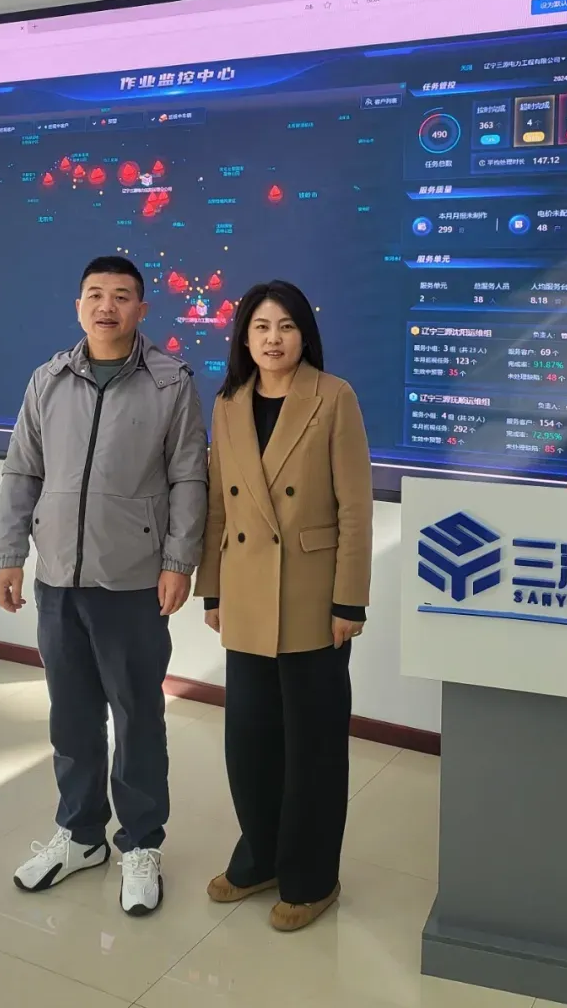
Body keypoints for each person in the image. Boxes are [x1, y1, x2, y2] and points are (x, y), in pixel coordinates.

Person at [0, 255, 207, 916]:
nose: (106, 305)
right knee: (72, 714)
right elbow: (22, 470)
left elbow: (188, 476)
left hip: (133, 580)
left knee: (137, 715)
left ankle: (140, 843)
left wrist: (179, 561)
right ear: (78, 305)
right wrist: (9, 554)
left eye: (120, 295)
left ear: (142, 308)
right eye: (94, 294)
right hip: (58, 577)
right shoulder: (48, 379)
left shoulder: (169, 381)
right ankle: (81, 834)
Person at [196, 280, 373, 931]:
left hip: (313, 596)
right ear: (244, 338)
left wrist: (349, 598)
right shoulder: (228, 402)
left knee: (313, 749)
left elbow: (355, 506)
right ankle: (261, 857)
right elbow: (218, 504)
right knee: (249, 743)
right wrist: (213, 588)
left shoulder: (334, 396)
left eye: (287, 326)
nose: (274, 338)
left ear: (305, 335)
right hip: (244, 592)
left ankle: (311, 878)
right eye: (261, 327)